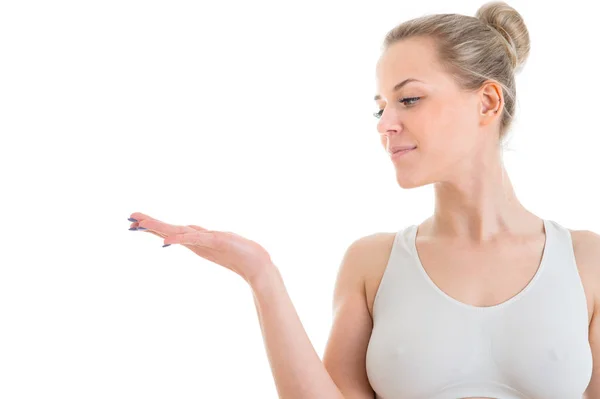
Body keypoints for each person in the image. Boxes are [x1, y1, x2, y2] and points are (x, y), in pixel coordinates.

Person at [128, 1, 600, 398]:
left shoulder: (587, 262)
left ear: (487, 103)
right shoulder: (372, 264)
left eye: (408, 100)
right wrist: (261, 276)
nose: (385, 124)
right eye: (380, 107)